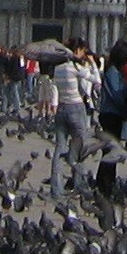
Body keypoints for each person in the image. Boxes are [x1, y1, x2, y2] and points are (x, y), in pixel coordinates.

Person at [49, 37, 97, 196]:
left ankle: (56, 188)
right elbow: (96, 80)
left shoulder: (58, 68)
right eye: (83, 51)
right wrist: (92, 64)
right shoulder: (75, 67)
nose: (84, 54)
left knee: (59, 148)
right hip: (76, 108)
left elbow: (54, 87)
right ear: (77, 51)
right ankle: (78, 183)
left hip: (62, 108)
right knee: (79, 148)